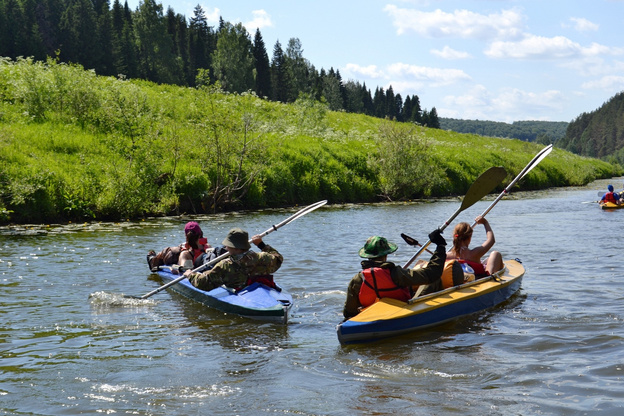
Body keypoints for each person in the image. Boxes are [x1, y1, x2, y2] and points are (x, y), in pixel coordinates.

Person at [342, 229, 447, 320]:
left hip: (371, 316)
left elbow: (349, 312)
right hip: (400, 313)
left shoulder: (358, 279)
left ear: (367, 255)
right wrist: (440, 246)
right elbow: (433, 273)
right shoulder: (396, 273)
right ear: (386, 254)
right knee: (434, 280)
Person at [183, 227, 283, 291]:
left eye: (228, 245)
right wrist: (261, 244)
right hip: (256, 288)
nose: (226, 248)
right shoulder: (262, 257)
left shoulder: (225, 266)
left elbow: (204, 283)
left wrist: (190, 275)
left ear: (234, 247)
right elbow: (278, 259)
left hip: (239, 292)